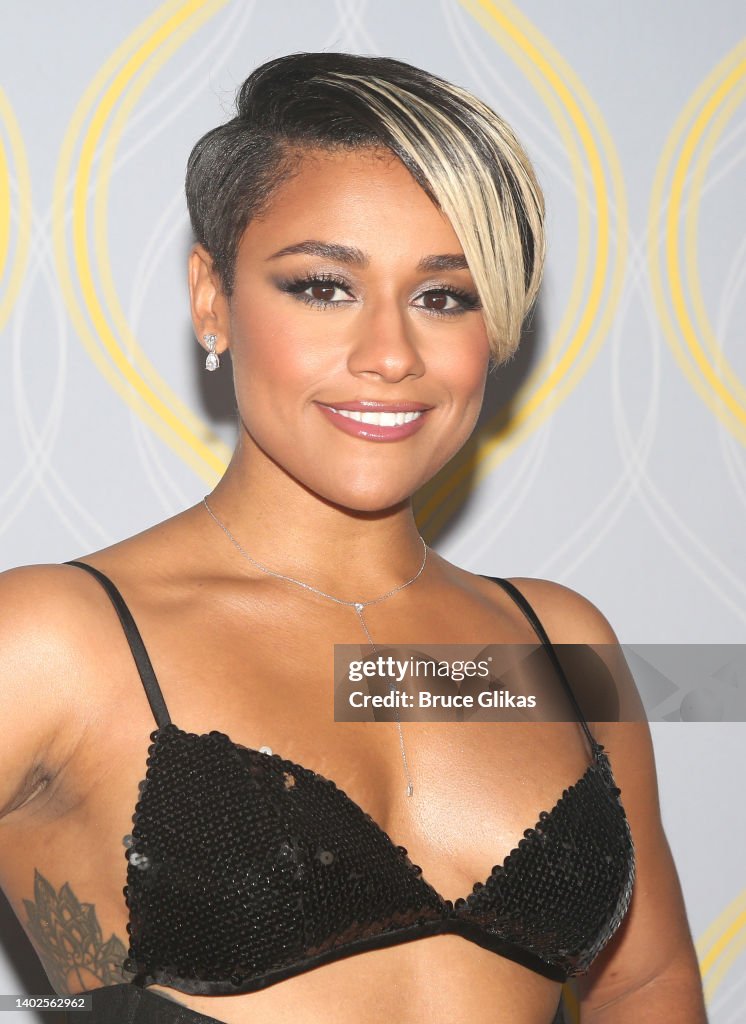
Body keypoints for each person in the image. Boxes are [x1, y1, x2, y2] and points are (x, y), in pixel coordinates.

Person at [0, 51, 707, 1024]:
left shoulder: (555, 643)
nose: (388, 353)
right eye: (324, 286)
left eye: (442, 296)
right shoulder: (53, 638)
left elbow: (643, 979)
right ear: (213, 297)